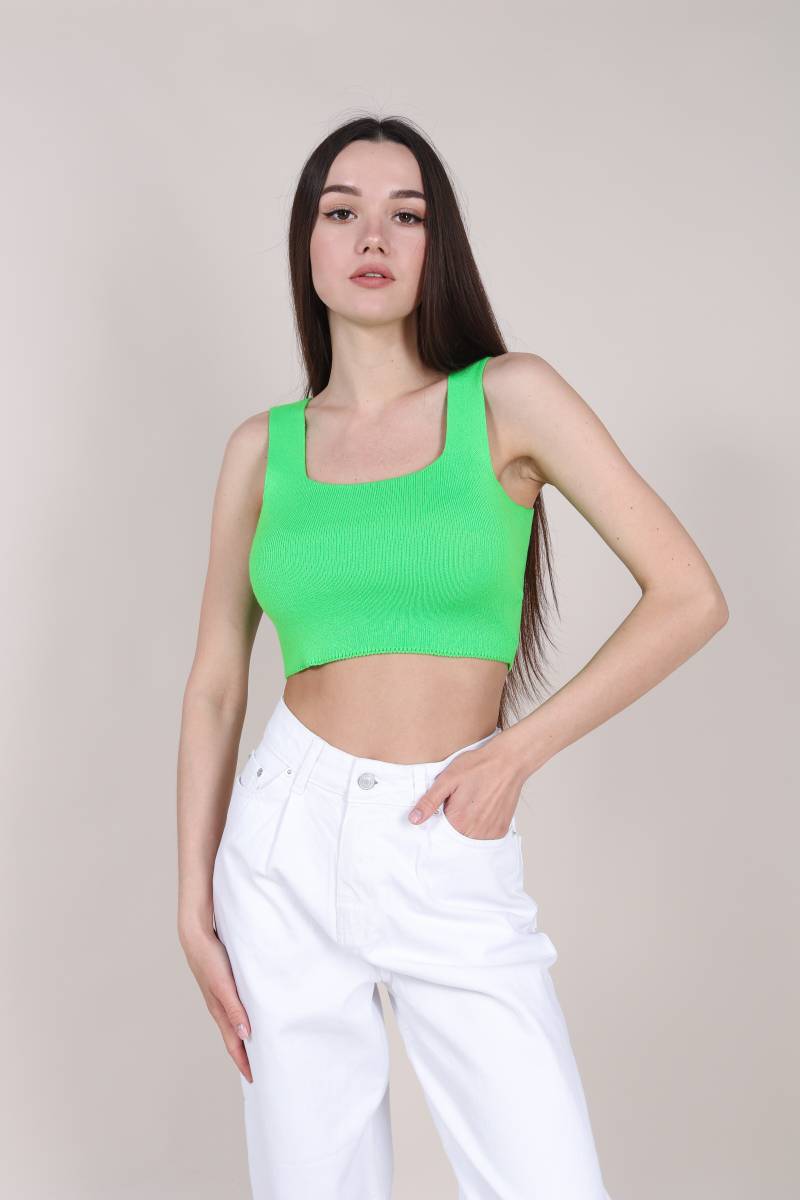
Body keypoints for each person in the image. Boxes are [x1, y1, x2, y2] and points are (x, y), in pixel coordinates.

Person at [177, 115, 729, 1200]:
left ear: (439, 246)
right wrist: (191, 901)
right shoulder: (260, 450)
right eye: (342, 211)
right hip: (280, 844)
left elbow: (688, 596)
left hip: (442, 830)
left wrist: (516, 752)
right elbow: (215, 685)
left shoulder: (509, 399)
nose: (372, 236)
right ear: (306, 243)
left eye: (407, 214)